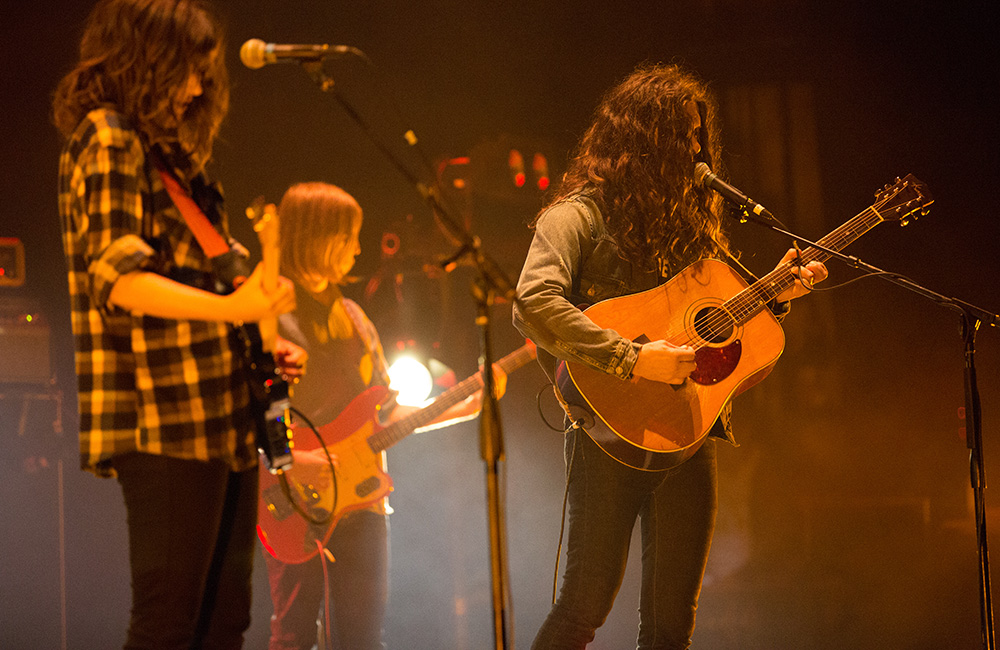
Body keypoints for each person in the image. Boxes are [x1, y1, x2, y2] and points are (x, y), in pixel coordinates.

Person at [512, 63, 829, 649]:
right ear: (639, 139)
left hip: (689, 437)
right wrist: (631, 359)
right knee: (584, 608)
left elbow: (720, 326)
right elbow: (532, 301)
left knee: (670, 628)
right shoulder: (577, 215)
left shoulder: (693, 230)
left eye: (698, 133)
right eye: (681, 133)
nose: (695, 147)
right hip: (607, 438)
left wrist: (777, 293)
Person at [52, 1, 304, 647]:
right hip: (163, 417)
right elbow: (120, 277)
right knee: (168, 624)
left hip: (222, 413)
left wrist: (263, 334)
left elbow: (213, 279)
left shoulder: (170, 159)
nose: (197, 87)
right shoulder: (106, 136)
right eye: (187, 68)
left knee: (225, 624)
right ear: (145, 60)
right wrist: (234, 309)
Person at [262, 181, 505, 650]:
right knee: (293, 636)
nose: (357, 248)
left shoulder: (354, 316)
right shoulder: (270, 310)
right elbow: (250, 406)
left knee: (363, 639)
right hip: (296, 496)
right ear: (317, 236)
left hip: (365, 499)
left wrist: (464, 403)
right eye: (348, 236)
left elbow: (386, 413)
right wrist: (293, 462)